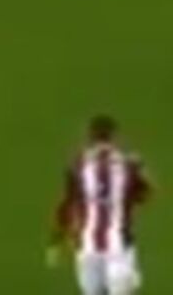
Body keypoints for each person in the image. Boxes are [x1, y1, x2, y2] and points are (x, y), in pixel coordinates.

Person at [49, 115, 153, 295]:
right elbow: (146, 195)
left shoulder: (78, 165)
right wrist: (140, 175)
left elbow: (67, 204)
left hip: (87, 247)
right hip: (119, 247)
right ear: (114, 136)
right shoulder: (129, 164)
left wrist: (56, 241)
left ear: (89, 137)